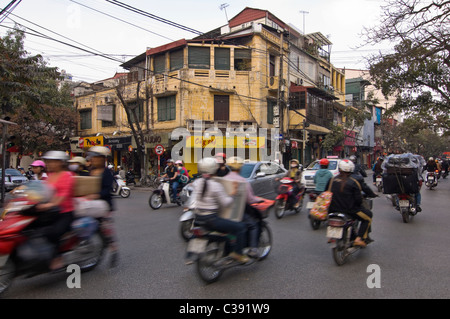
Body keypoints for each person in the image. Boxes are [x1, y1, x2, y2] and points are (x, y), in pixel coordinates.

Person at [191, 157, 249, 263]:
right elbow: (226, 203)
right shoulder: (216, 185)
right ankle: (238, 254)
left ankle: (192, 254)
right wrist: (234, 192)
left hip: (198, 218)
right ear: (215, 169)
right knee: (241, 227)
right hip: (211, 220)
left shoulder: (196, 182)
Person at [37, 151, 75, 270]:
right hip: (50, 212)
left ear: (60, 163)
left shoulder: (67, 175)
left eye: (52, 161)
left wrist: (49, 205)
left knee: (53, 232)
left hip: (65, 212)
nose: (49, 164)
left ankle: (57, 257)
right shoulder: (50, 176)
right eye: (48, 161)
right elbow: (43, 192)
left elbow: (63, 195)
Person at [326, 159, 373, 247]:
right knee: (368, 217)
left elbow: (326, 193)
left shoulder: (332, 180)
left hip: (332, 209)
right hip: (350, 210)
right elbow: (358, 200)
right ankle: (359, 239)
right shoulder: (353, 182)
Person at [85, 146, 119, 267]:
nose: (93, 160)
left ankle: (113, 250)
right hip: (91, 204)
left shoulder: (106, 173)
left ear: (101, 159)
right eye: (92, 158)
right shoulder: (90, 171)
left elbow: (108, 190)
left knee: (106, 230)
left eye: (95, 158)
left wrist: (96, 195)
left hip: (104, 205)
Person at [224, 156, 261, 257]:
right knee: (253, 225)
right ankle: (253, 249)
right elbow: (250, 199)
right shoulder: (243, 181)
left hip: (224, 211)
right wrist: (259, 199)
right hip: (237, 212)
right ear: (240, 168)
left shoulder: (223, 179)